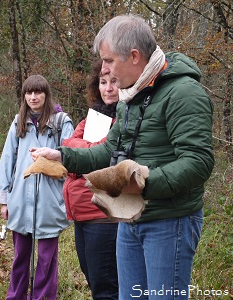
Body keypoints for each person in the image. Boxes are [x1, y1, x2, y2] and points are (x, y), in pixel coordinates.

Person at [30, 14, 214, 299]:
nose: (104, 69)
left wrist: (143, 182)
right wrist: (62, 156)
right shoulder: (132, 96)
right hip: (128, 218)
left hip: (170, 222)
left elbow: (198, 161)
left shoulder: (184, 94)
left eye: (109, 60)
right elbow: (108, 151)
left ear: (135, 56)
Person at [0, 74, 74, 300]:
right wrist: (4, 199)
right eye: (28, 92)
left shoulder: (61, 122)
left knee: (47, 259)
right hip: (20, 199)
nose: (33, 97)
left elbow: (70, 159)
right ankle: (16, 296)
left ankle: (42, 297)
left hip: (51, 201)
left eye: (38, 92)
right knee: (21, 255)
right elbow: (7, 159)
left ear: (46, 94)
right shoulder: (18, 121)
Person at [62, 59, 119, 300]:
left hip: (103, 216)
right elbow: (68, 145)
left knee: (106, 287)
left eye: (114, 81)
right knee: (94, 281)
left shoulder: (126, 119)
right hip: (81, 214)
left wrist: (83, 154)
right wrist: (88, 152)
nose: (108, 88)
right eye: (103, 82)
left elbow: (104, 155)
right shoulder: (94, 118)